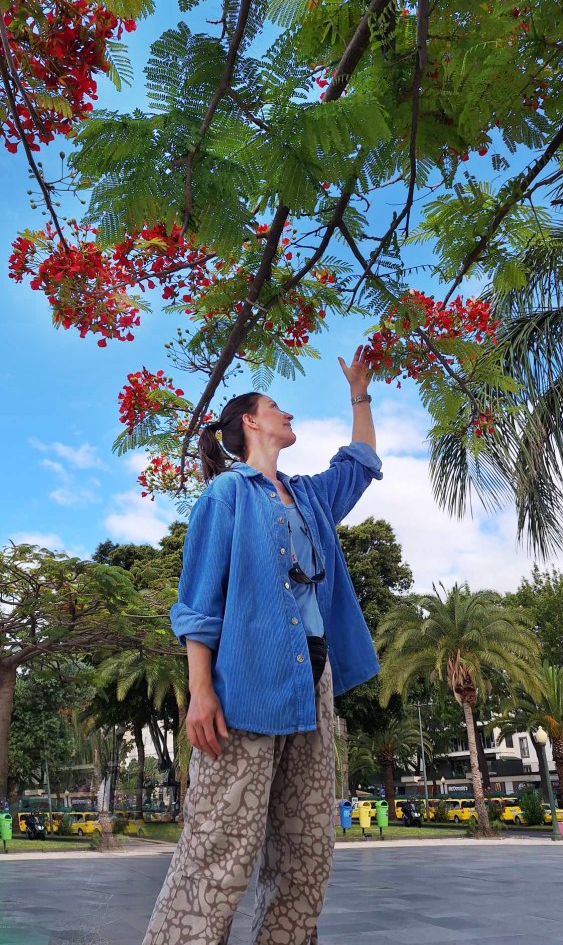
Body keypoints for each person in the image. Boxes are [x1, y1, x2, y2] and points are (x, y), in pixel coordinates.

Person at [142, 346, 383, 945]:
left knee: (307, 843)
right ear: (251, 421)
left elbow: (361, 462)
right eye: (277, 406)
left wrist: (360, 392)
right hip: (245, 686)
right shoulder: (226, 496)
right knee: (220, 842)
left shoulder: (309, 497)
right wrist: (200, 693)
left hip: (314, 682)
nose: (288, 412)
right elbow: (198, 604)